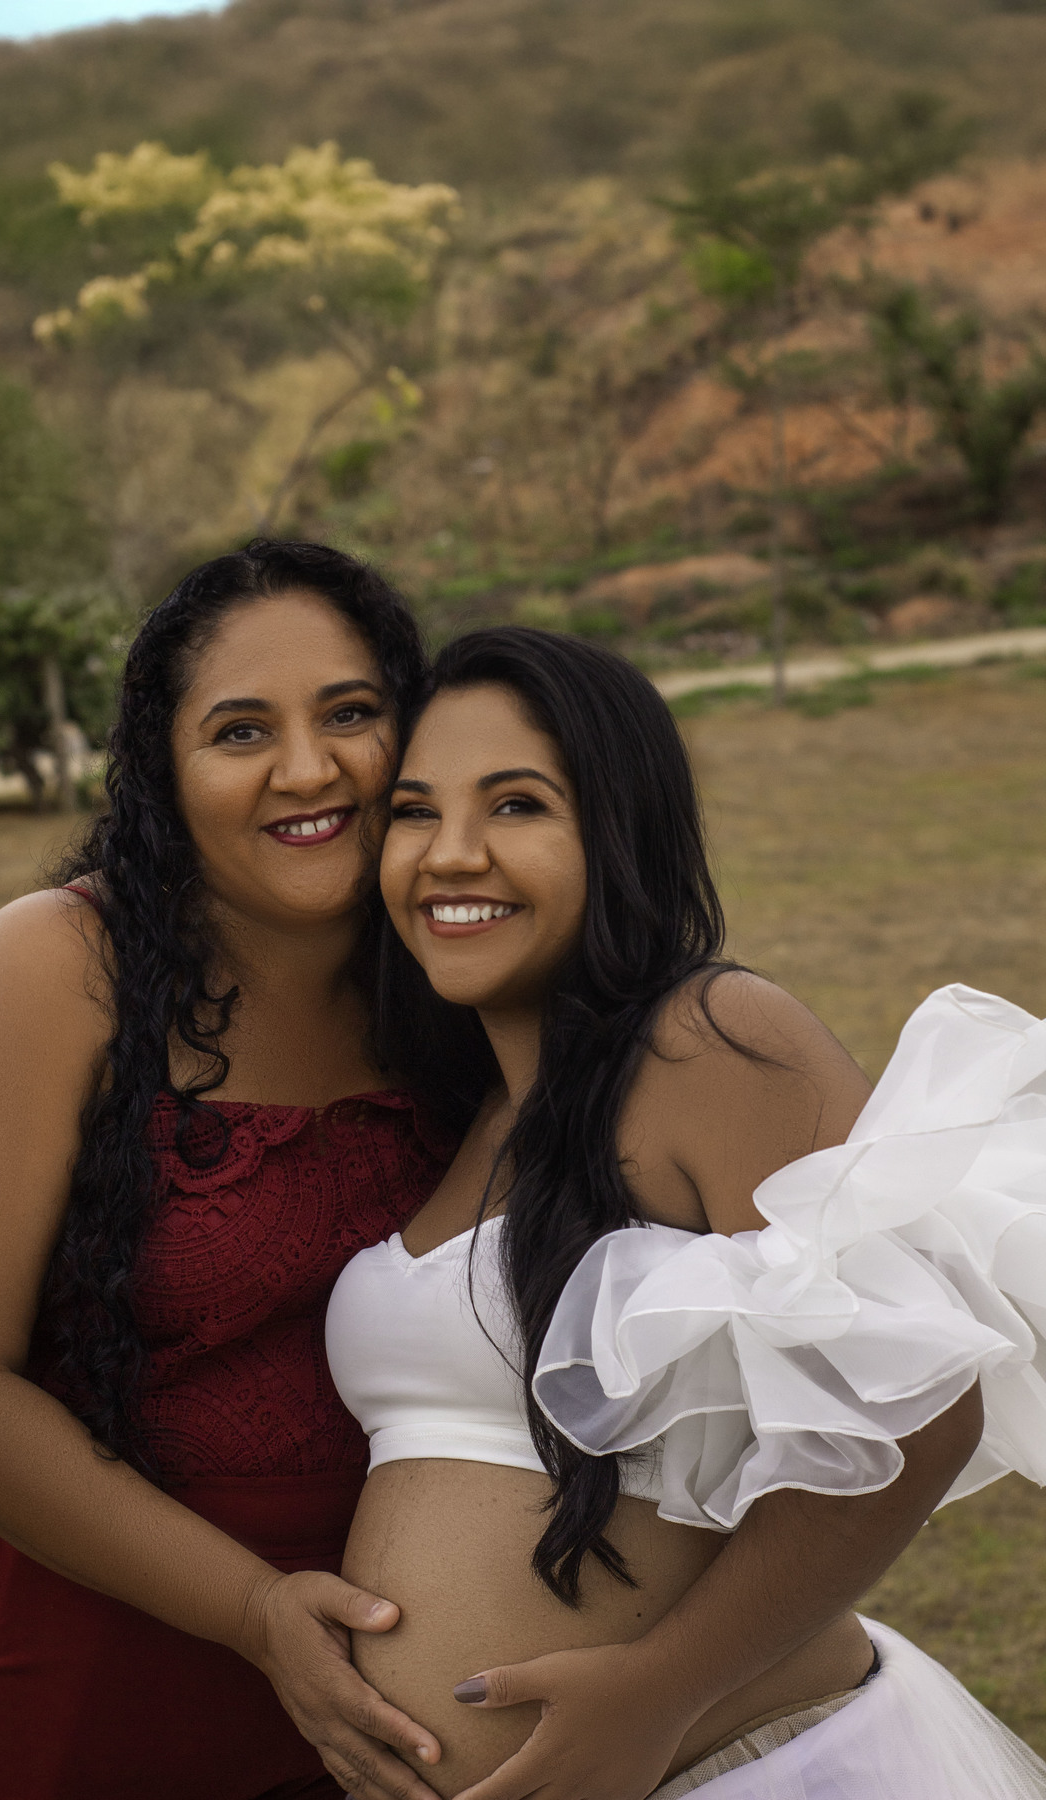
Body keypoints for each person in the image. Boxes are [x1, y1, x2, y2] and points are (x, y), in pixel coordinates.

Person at [325, 626, 1046, 1800]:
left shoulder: (709, 1041)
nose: (450, 855)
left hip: (743, 1766)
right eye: (414, 812)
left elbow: (924, 1412)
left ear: (618, 832)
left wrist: (665, 1690)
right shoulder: (467, 1116)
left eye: (516, 806)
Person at [0, 541, 466, 1800]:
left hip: (393, 1669)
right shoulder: (58, 971)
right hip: (85, 1647)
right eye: (242, 731)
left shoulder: (460, 972)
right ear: (166, 776)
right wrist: (252, 1612)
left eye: (351, 713)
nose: (311, 769)